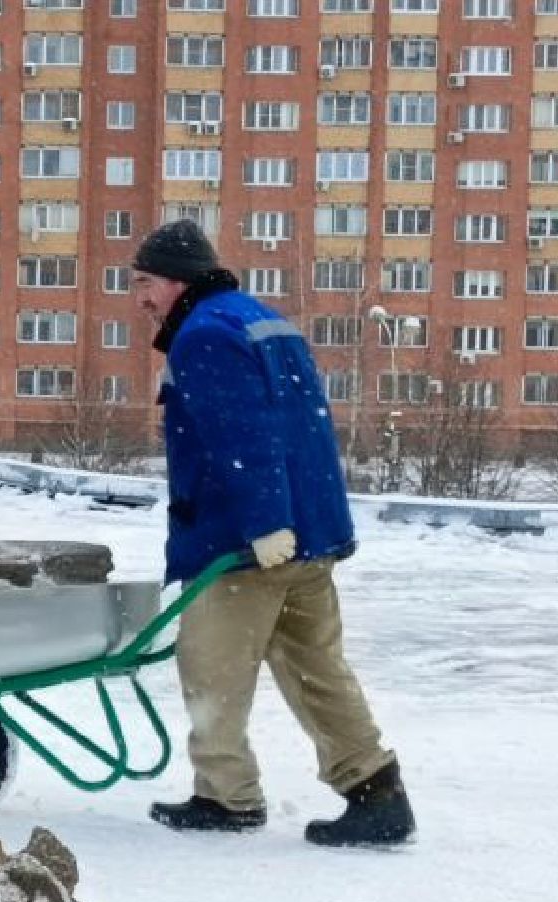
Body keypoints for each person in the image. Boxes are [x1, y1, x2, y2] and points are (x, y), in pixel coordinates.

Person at [130, 219, 415, 848]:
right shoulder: (261, 320)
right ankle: (376, 791)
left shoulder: (202, 336)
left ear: (178, 280)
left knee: (210, 668)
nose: (141, 298)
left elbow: (243, 437)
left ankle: (226, 799)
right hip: (310, 533)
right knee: (316, 666)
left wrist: (264, 524)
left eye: (146, 282)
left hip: (249, 544)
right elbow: (301, 425)